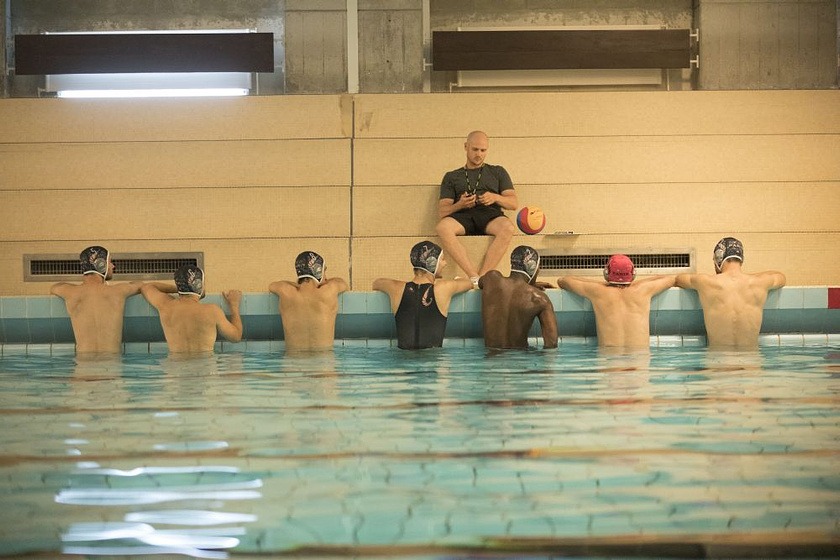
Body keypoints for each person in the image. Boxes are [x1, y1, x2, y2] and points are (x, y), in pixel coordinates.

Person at [50, 245, 172, 354]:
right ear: (100, 264)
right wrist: (181, 289)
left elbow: (55, 287)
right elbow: (144, 285)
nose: (113, 266)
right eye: (110, 262)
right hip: (110, 369)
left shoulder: (70, 292)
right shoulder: (118, 291)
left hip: (82, 369)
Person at [436, 131, 518, 286]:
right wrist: (460, 204)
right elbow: (443, 211)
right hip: (463, 215)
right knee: (442, 228)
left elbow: (513, 203)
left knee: (507, 228)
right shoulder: (451, 176)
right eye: (475, 149)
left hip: (490, 214)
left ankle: (483, 276)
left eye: (483, 150)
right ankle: (473, 275)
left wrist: (495, 197)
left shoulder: (498, 171)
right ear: (466, 147)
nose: (479, 154)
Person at [675, 237, 786, 349]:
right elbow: (781, 277)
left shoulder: (705, 281)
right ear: (741, 259)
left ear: (718, 257)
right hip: (751, 363)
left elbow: (679, 279)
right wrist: (750, 276)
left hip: (718, 363)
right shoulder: (761, 282)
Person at [558, 255, 675, 349]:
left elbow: (563, 280)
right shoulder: (643, 289)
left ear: (606, 273)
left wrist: (602, 283)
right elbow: (670, 279)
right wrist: (634, 283)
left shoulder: (597, 291)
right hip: (639, 359)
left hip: (609, 359)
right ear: (633, 273)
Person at [373, 241, 473, 349]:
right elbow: (470, 283)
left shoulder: (396, 288)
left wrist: (396, 283)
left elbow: (377, 283)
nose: (445, 263)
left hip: (404, 361)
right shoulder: (443, 288)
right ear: (432, 263)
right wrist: (458, 279)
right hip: (433, 362)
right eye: (442, 259)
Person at [141, 264, 242, 353]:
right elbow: (236, 337)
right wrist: (234, 305)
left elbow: (147, 287)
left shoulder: (166, 306)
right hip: (204, 369)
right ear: (199, 285)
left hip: (175, 370)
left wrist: (180, 289)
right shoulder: (212, 311)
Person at [479, 245, 558, 349]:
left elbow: (480, 282)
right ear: (533, 268)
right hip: (520, 358)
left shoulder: (491, 279)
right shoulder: (539, 299)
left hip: (492, 359)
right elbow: (551, 343)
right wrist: (530, 286)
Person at [268, 251, 349, 351]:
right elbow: (343, 283)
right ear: (318, 270)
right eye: (324, 271)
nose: (326, 277)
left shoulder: (286, 291)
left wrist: (296, 285)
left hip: (293, 363)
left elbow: (272, 286)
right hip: (324, 363)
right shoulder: (329, 290)